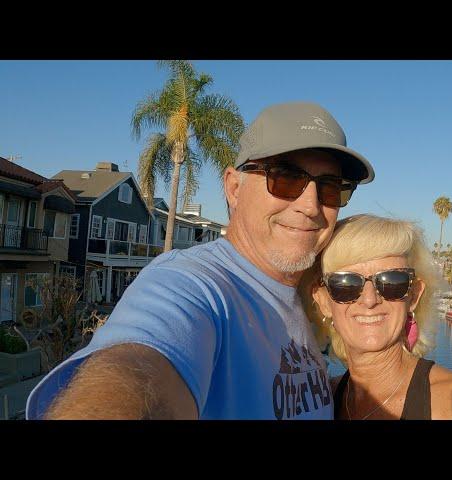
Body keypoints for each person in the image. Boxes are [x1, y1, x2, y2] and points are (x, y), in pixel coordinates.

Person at [26, 101, 375, 420]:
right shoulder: (191, 283)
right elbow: (138, 371)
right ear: (234, 187)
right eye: (285, 178)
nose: (311, 205)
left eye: (330, 187)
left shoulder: (307, 296)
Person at [303, 214, 452, 420]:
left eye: (392, 282)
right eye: (346, 284)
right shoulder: (318, 404)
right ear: (323, 300)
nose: (369, 300)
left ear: (414, 295)